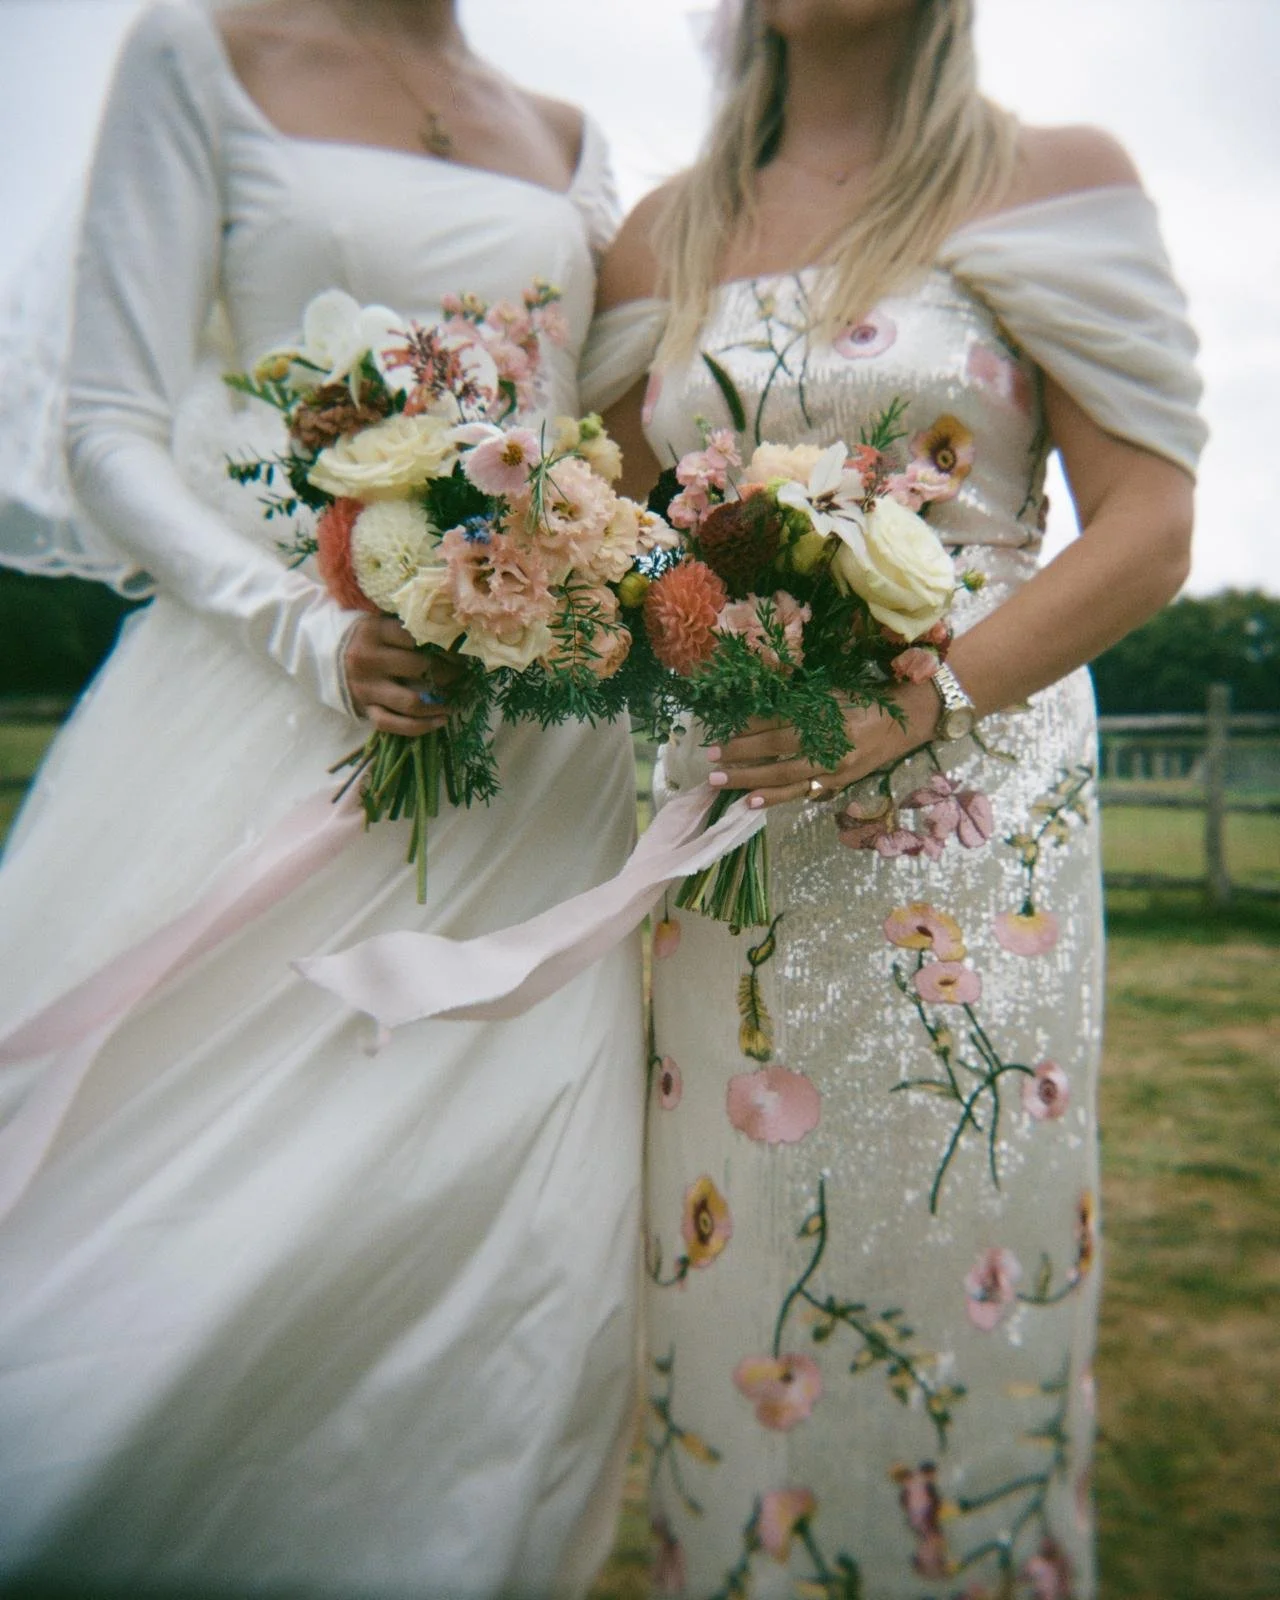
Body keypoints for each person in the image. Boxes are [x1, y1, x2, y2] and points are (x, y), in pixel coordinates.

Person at [0, 2, 643, 1595]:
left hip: (533, 760)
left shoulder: (569, 135)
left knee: (485, 1237)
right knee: (171, 1231)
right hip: (268, 695)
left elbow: (604, 434)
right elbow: (105, 425)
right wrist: (311, 624)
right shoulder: (202, 52)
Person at [585, 0, 1202, 1592]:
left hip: (972, 826)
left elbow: (1145, 525)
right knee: (741, 1241)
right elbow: (598, 530)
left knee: (954, 1227)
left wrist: (919, 696)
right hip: (738, 817)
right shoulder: (660, 236)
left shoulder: (1051, 181)